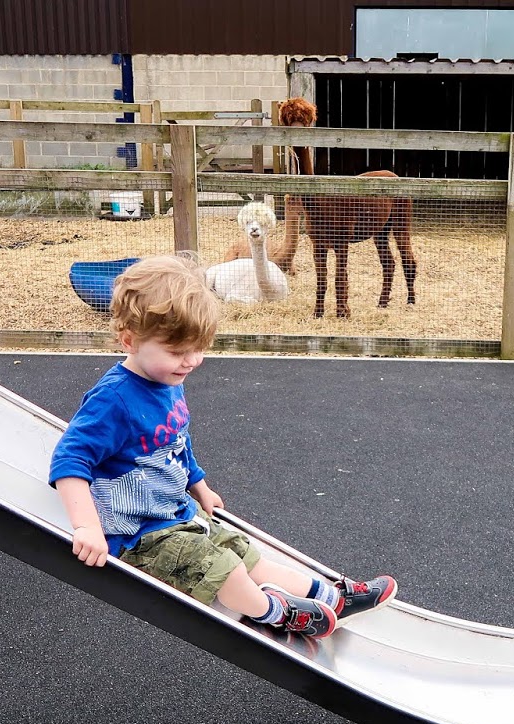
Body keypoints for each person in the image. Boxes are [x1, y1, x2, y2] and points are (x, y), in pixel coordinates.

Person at [48, 254, 396, 638]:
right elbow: (70, 459)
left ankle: (332, 598)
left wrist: (199, 484)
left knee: (246, 556)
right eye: (178, 352)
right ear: (130, 339)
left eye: (198, 348)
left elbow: (176, 439)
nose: (192, 361)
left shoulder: (166, 380)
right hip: (140, 534)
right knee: (222, 568)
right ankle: (272, 611)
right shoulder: (113, 399)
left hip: (178, 512)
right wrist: (87, 527)